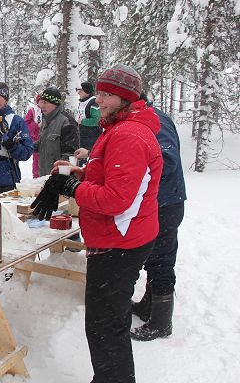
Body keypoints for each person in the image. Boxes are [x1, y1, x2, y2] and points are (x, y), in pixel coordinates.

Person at [30, 64, 163, 383]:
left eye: (105, 95)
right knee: (109, 323)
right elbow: (113, 177)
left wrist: (73, 188)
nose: (98, 100)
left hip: (118, 243)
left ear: (125, 98)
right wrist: (79, 173)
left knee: (105, 326)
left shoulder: (128, 134)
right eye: (99, 93)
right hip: (123, 237)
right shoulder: (122, 127)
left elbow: (117, 199)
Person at [130, 94, 186, 341]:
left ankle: (161, 323)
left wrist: (131, 172)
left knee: (162, 260)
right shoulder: (144, 118)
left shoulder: (155, 121)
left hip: (166, 202)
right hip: (159, 201)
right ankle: (147, 306)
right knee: (154, 258)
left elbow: (167, 160)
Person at [34, 86, 79, 176]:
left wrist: (61, 177)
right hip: (45, 175)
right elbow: (44, 143)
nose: (42, 106)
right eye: (42, 102)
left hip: (58, 178)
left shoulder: (67, 122)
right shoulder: (46, 119)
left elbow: (70, 154)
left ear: (55, 104)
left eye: (46, 103)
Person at [76, 82, 101, 165]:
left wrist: (82, 121)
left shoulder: (94, 103)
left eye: (80, 90)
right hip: (82, 135)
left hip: (92, 136)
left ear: (86, 91)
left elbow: (97, 120)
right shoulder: (82, 102)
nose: (78, 93)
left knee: (89, 161)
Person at [24, 94, 42, 178]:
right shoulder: (33, 110)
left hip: (47, 137)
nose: (43, 104)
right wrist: (36, 125)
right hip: (36, 138)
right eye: (41, 101)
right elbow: (26, 124)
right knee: (36, 159)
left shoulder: (49, 110)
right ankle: (36, 176)